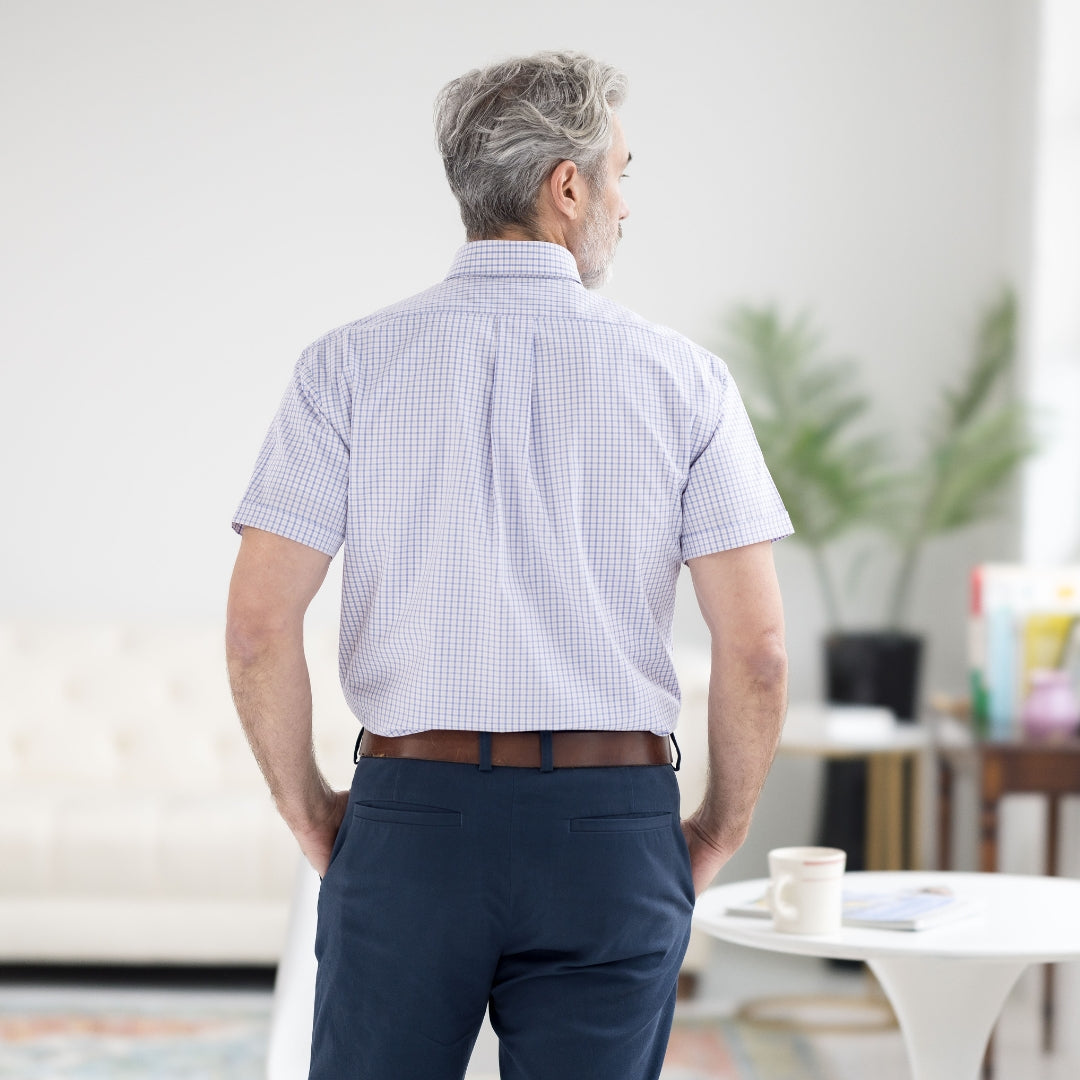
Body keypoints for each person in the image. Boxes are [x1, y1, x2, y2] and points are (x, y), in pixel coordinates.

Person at [226, 50, 791, 1080]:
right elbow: (756, 651)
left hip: (410, 817)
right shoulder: (686, 382)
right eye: (621, 172)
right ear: (566, 187)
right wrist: (712, 832)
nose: (627, 201)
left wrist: (314, 815)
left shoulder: (346, 368)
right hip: (611, 825)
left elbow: (259, 627)